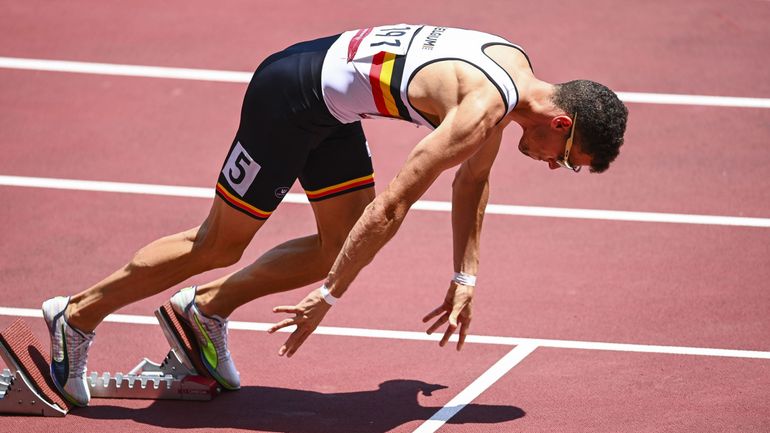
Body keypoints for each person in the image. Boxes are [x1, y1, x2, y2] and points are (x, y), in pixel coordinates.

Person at [41, 23, 628, 407]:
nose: (556, 168)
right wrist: (330, 298)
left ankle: (203, 313)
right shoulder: (484, 108)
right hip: (289, 97)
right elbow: (395, 204)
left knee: (335, 241)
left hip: (331, 110)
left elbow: (474, 179)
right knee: (217, 245)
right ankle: (75, 317)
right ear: (561, 123)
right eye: (568, 161)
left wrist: (465, 276)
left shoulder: (514, 72)